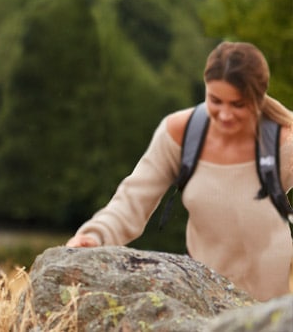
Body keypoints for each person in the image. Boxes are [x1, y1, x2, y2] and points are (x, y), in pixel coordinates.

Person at [66, 41, 293, 301]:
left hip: (271, 307)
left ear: (258, 97)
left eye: (238, 105)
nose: (225, 115)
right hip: (206, 300)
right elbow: (132, 202)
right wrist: (95, 236)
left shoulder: (284, 139)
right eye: (215, 101)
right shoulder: (181, 134)